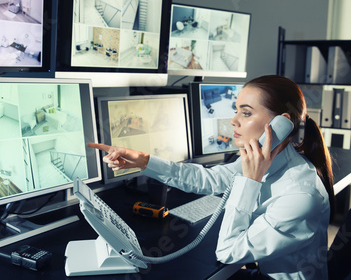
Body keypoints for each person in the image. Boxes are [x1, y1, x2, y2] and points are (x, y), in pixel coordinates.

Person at [89, 75, 334, 279]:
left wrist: (249, 183)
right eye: (237, 110)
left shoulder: (301, 195)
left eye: (246, 113)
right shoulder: (262, 160)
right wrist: (143, 160)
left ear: (282, 124)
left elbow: (228, 252)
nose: (234, 120)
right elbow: (208, 180)